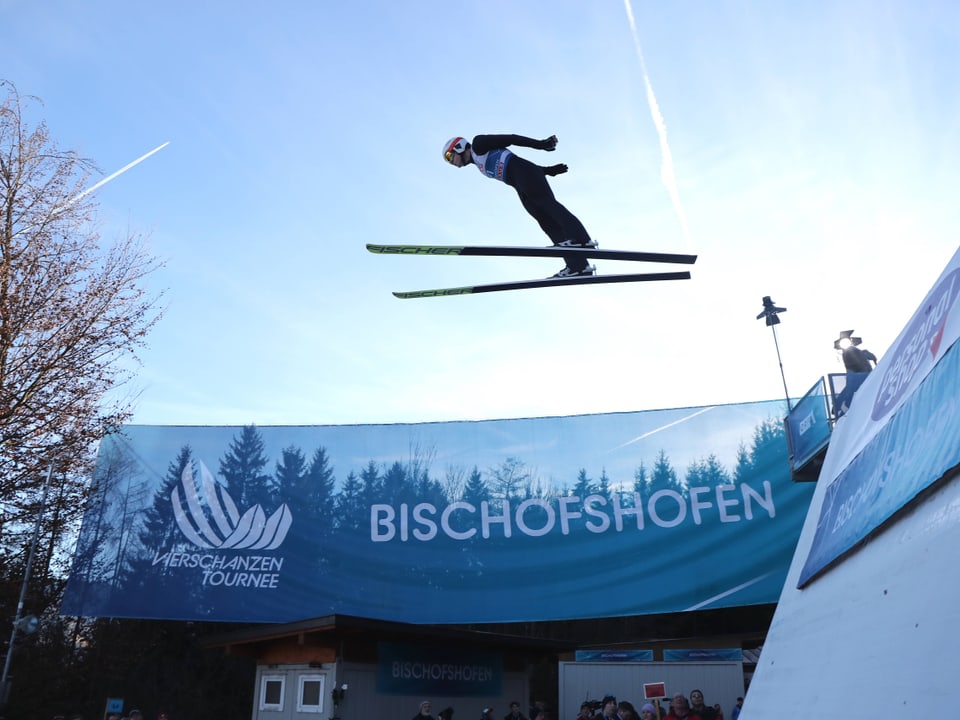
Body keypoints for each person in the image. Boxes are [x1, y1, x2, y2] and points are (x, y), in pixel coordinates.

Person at [442, 134, 597, 278]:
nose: (451, 163)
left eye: (450, 156)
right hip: (520, 182)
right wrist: (548, 171)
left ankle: (581, 239)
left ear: (459, 147)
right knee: (546, 222)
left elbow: (511, 139)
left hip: (524, 174)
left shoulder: (478, 144)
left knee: (547, 205)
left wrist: (540, 145)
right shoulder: (478, 164)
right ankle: (578, 266)